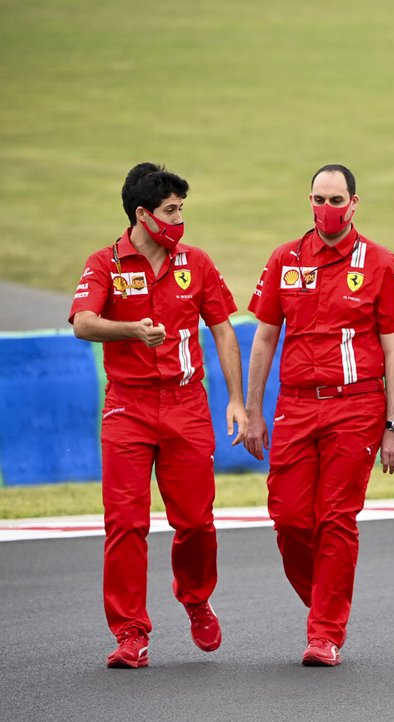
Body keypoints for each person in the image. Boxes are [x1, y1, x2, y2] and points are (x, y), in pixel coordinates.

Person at [70, 162, 247, 669]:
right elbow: (83, 323)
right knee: (124, 524)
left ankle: (194, 597)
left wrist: (235, 400)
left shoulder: (197, 261)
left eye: (181, 210)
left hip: (187, 404)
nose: (179, 220)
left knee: (195, 521)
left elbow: (222, 328)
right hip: (127, 406)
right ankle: (130, 632)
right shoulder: (104, 263)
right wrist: (132, 332)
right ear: (143, 215)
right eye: (171, 211)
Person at [243, 164, 394, 667]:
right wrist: (254, 411)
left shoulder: (381, 262)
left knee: (336, 518)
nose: (326, 209)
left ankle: (325, 632)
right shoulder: (285, 258)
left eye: (336, 200)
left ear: (355, 203)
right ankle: (323, 601)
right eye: (318, 199)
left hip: (357, 405)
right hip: (295, 405)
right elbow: (264, 339)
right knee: (290, 519)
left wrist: (393, 425)